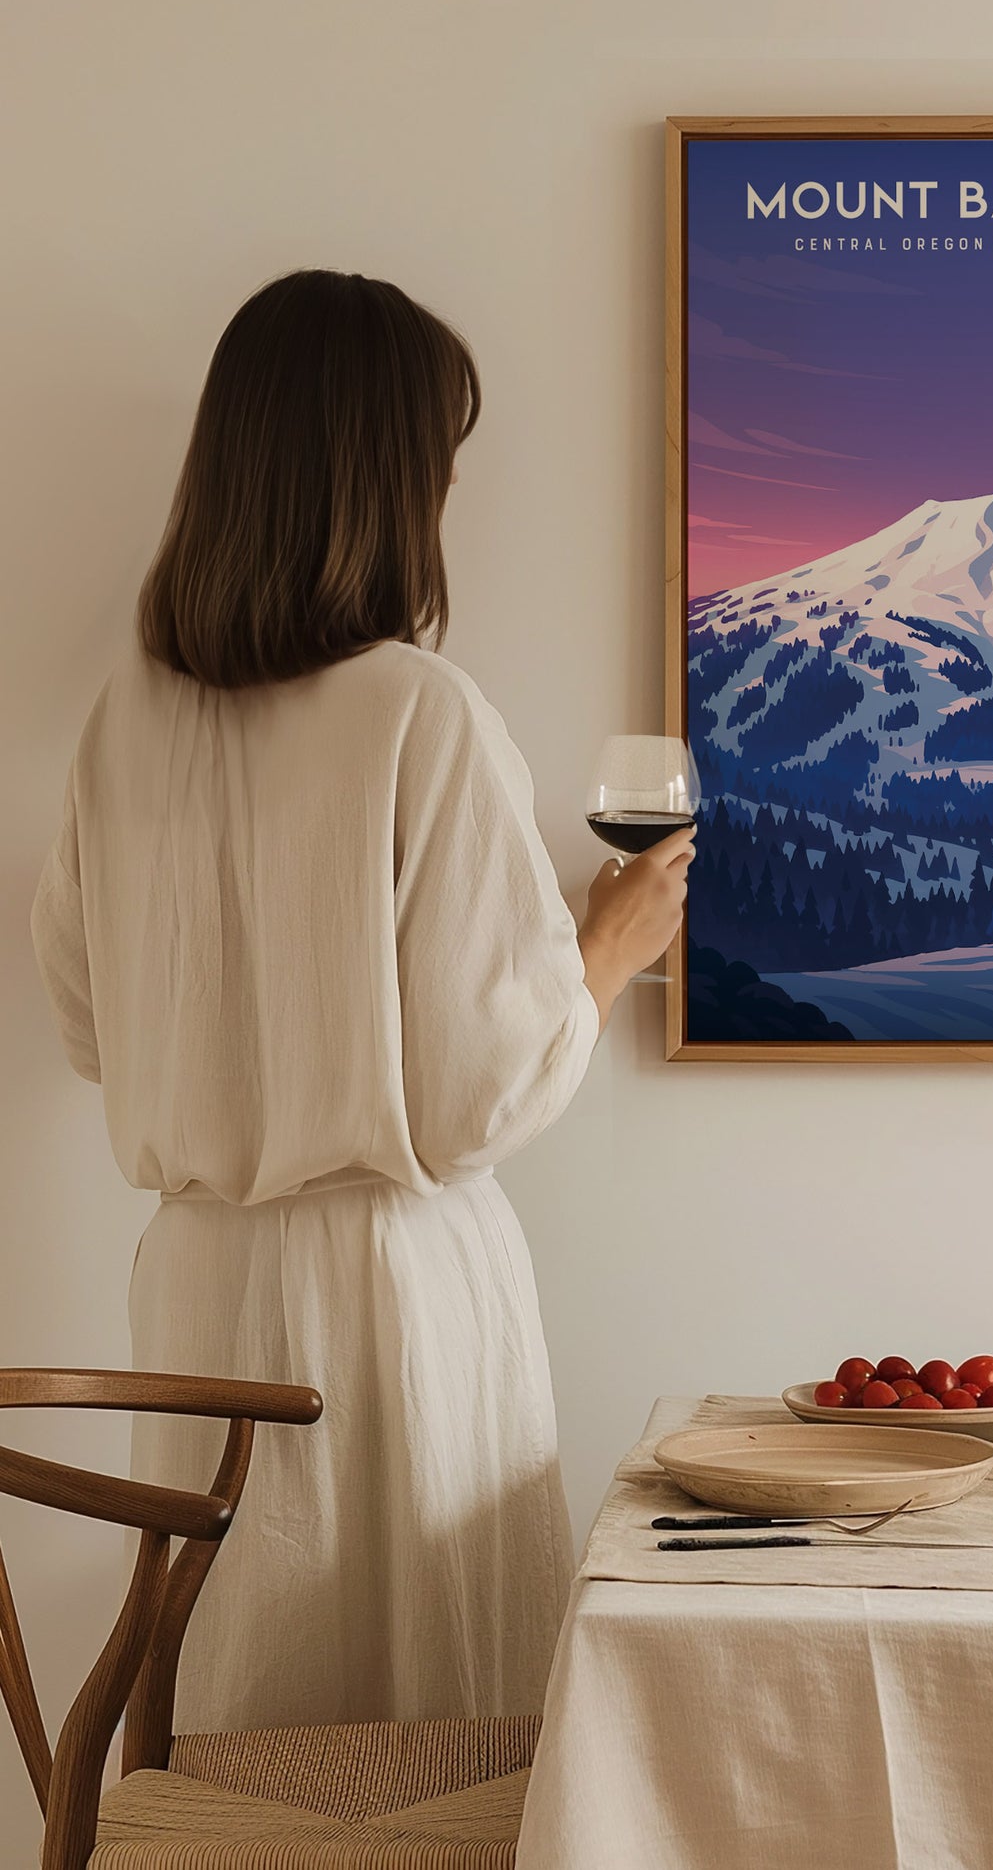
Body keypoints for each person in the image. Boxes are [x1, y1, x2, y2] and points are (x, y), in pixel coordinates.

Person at [29, 269, 689, 1730]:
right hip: (390, 1295)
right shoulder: (418, 710)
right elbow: (473, 1099)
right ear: (387, 479)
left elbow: (87, 1024)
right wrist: (605, 947)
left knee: (238, 1705)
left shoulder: (125, 721)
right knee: (426, 1729)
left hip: (197, 1287)